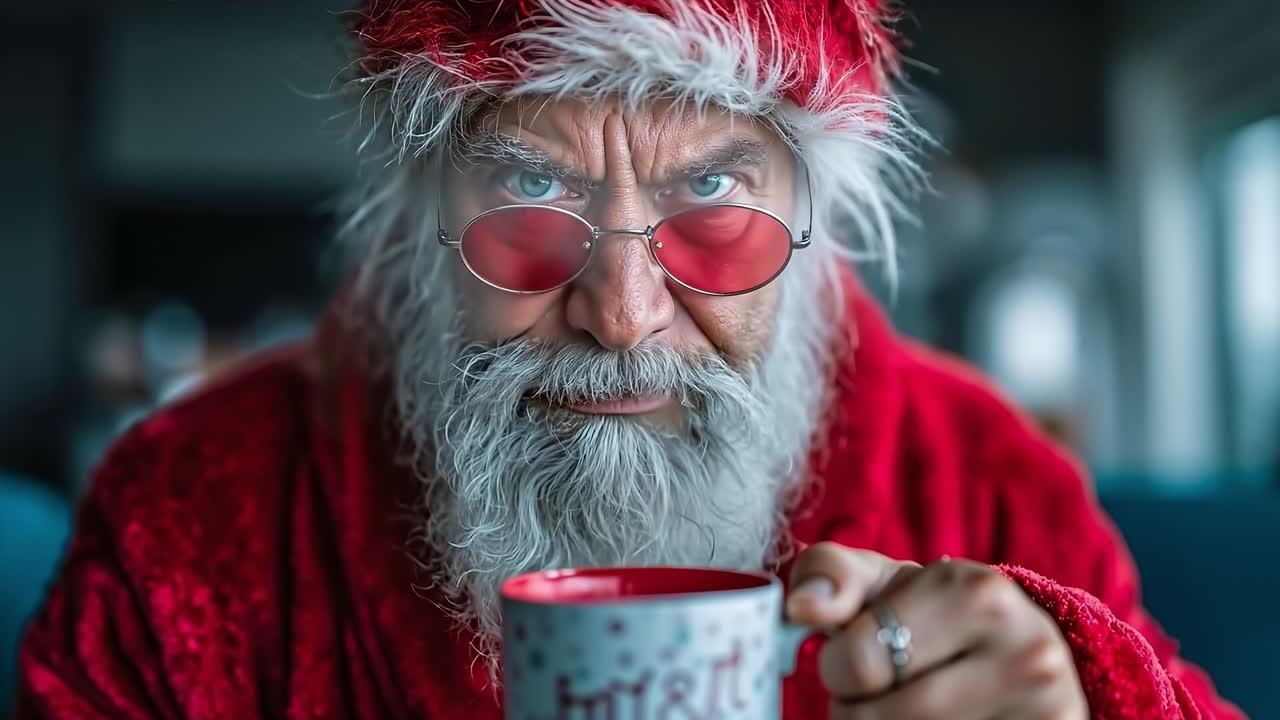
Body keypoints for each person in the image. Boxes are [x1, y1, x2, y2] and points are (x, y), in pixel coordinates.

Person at [16, 1, 1243, 718]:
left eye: (711, 189)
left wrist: (1096, 703)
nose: (618, 312)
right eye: (529, 186)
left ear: (813, 225)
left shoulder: (991, 479)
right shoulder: (184, 508)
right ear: (419, 230)